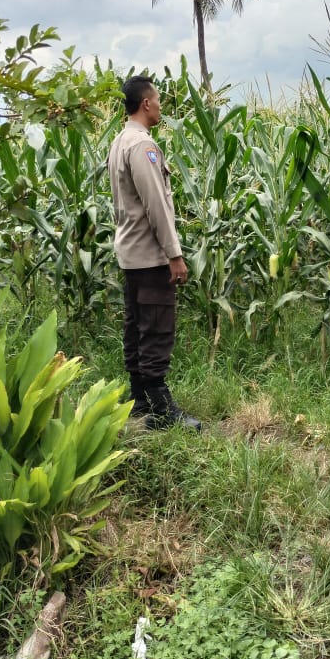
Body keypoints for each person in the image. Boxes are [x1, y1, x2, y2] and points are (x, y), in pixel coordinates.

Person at [107, 75, 201, 431]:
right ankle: (161, 407)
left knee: (136, 327)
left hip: (130, 253)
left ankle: (138, 400)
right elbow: (156, 205)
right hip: (149, 255)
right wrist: (174, 255)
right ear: (146, 104)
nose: (161, 105)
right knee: (157, 328)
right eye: (158, 100)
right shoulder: (141, 146)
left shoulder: (119, 141)